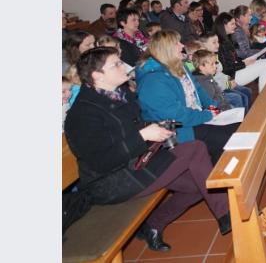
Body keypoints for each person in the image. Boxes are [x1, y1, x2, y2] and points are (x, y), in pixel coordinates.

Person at [64, 47, 231, 253]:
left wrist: (156, 127)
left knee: (198, 184)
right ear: (97, 75)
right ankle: (225, 213)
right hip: (110, 180)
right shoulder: (82, 114)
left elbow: (134, 127)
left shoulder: (121, 94)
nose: (124, 66)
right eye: (116, 64)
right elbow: (101, 161)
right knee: (195, 149)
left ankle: (153, 225)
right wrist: (142, 135)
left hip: (139, 161)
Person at [135, 30, 239, 164]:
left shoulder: (179, 65)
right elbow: (176, 115)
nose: (182, 45)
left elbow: (199, 90)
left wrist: (215, 107)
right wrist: (207, 115)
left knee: (236, 126)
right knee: (225, 138)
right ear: (166, 50)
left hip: (194, 116)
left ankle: (234, 172)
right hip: (178, 129)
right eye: (176, 43)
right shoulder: (153, 80)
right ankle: (221, 176)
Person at [214, 13, 266, 91]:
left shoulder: (227, 39)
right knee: (265, 65)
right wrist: (244, 63)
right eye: (232, 24)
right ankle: (265, 98)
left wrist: (244, 61)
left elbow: (233, 60)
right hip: (229, 77)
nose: (235, 26)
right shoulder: (218, 43)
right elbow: (226, 68)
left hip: (236, 69)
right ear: (224, 25)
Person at [198, 32, 252, 111]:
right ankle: (241, 120)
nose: (218, 45)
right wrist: (228, 84)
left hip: (224, 83)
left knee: (247, 91)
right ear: (203, 45)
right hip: (218, 89)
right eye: (214, 42)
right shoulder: (206, 62)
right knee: (238, 97)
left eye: (218, 42)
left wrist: (229, 78)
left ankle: (248, 116)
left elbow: (220, 73)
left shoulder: (214, 55)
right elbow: (214, 83)